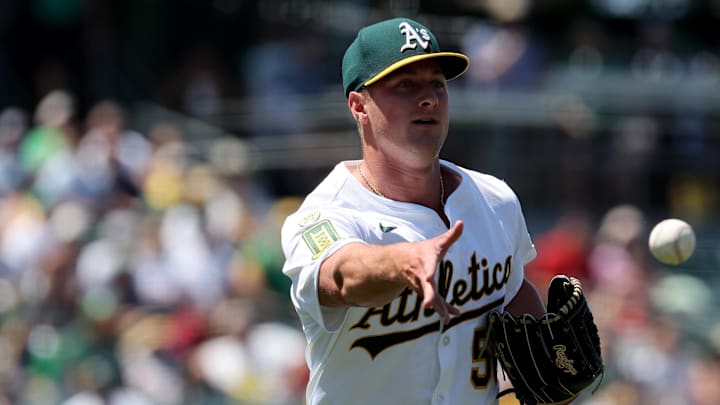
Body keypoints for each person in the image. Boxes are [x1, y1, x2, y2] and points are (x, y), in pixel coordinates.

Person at [280, 17, 546, 405]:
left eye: (437, 84)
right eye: (405, 85)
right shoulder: (324, 214)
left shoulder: (496, 200)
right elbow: (339, 276)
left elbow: (514, 293)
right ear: (359, 105)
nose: (429, 99)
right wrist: (400, 262)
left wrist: (540, 372)